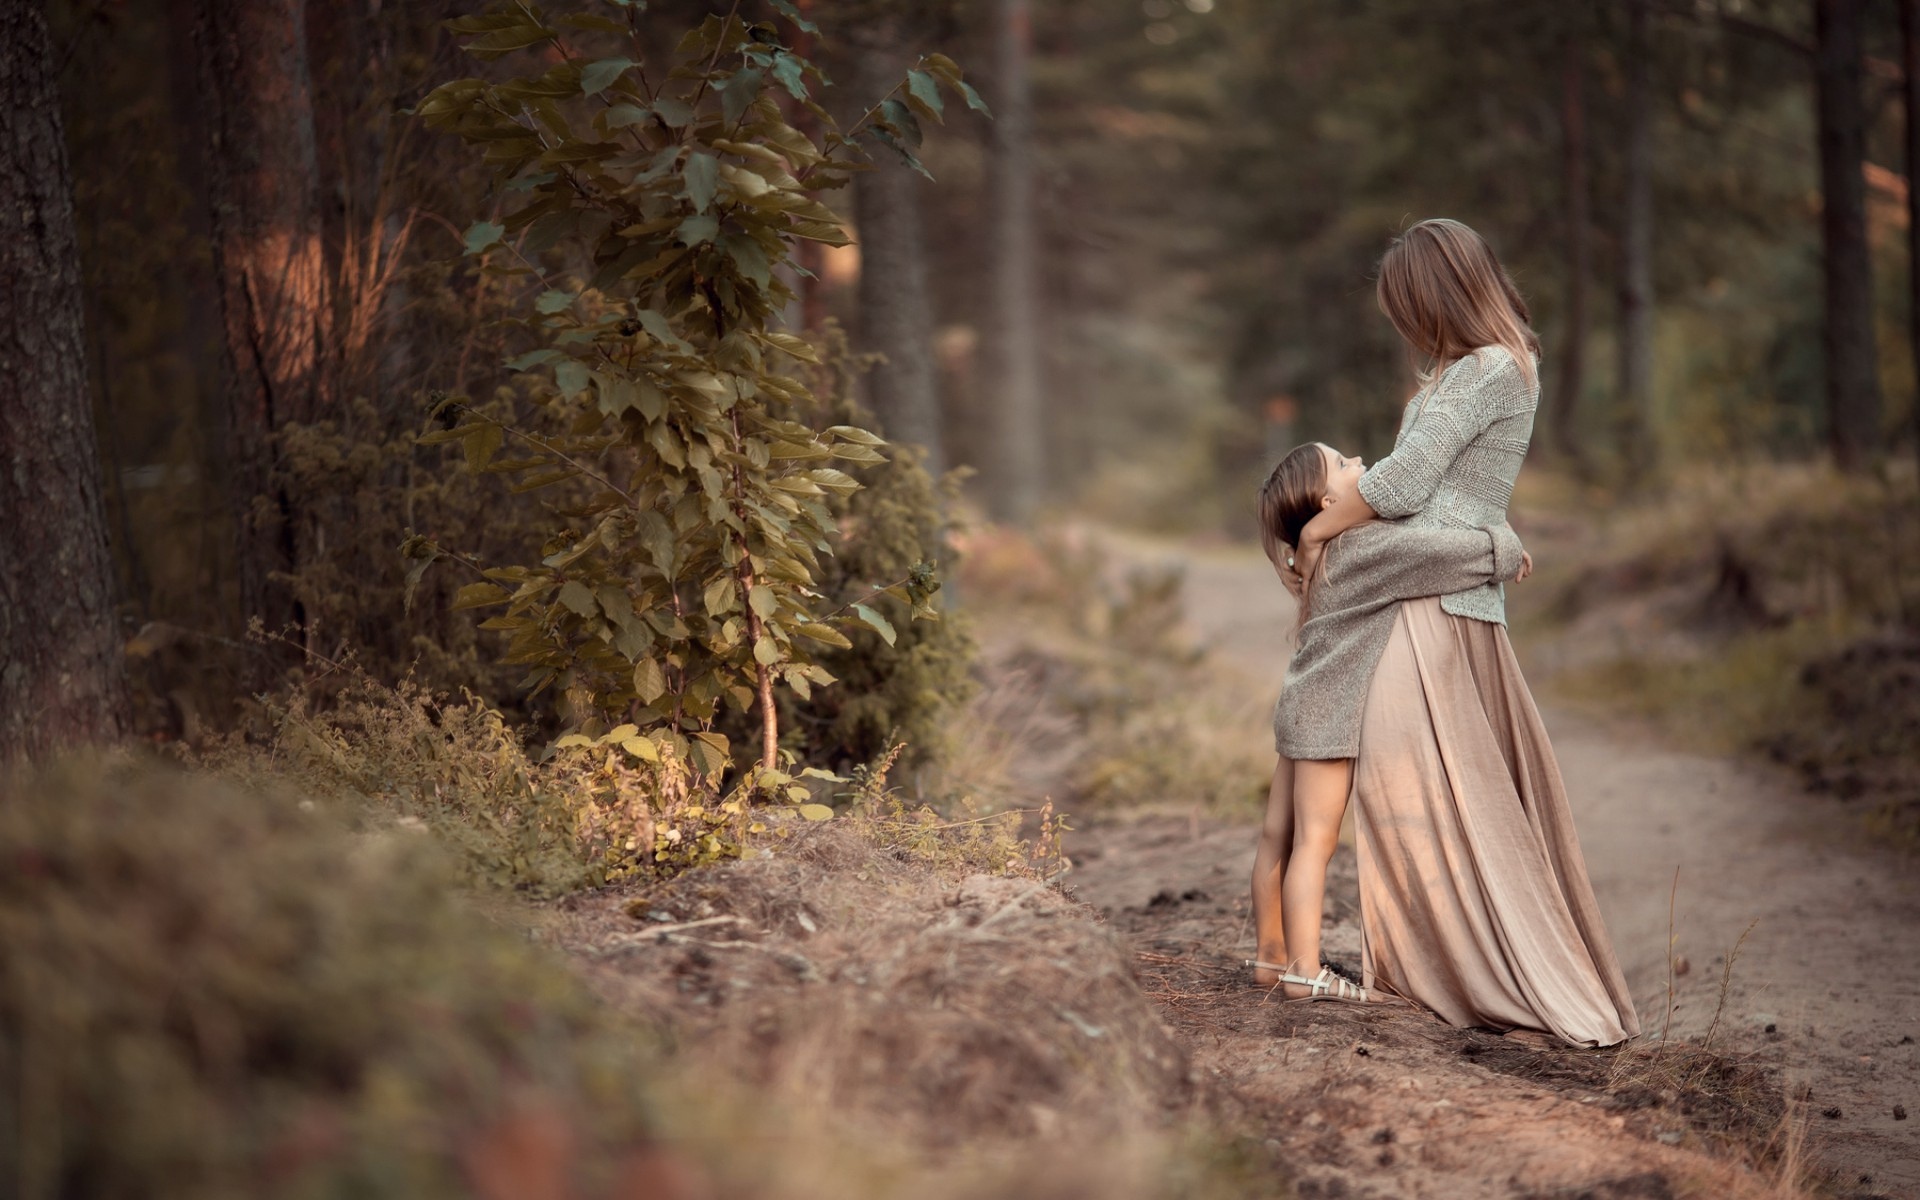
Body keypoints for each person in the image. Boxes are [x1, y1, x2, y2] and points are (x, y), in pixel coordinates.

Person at [1248, 218, 1639, 1048]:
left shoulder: (1492, 368)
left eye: (1408, 307)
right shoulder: (1467, 372)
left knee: (1449, 805)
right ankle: (1420, 967)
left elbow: (1404, 482)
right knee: (1427, 807)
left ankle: (1469, 969)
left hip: (1438, 601)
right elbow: (1408, 489)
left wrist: (1318, 533)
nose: (1404, 327)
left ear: (1440, 295)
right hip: (1427, 591)